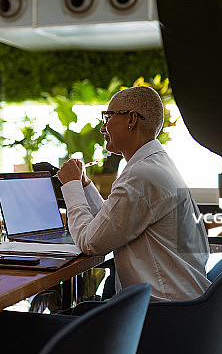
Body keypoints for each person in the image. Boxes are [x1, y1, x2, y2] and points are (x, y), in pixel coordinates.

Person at [56, 85, 210, 301]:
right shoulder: (156, 165)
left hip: (163, 313)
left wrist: (71, 186)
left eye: (107, 117)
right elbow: (113, 224)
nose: (102, 128)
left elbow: (91, 242)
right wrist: (84, 184)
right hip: (181, 303)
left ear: (131, 120)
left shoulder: (141, 175)